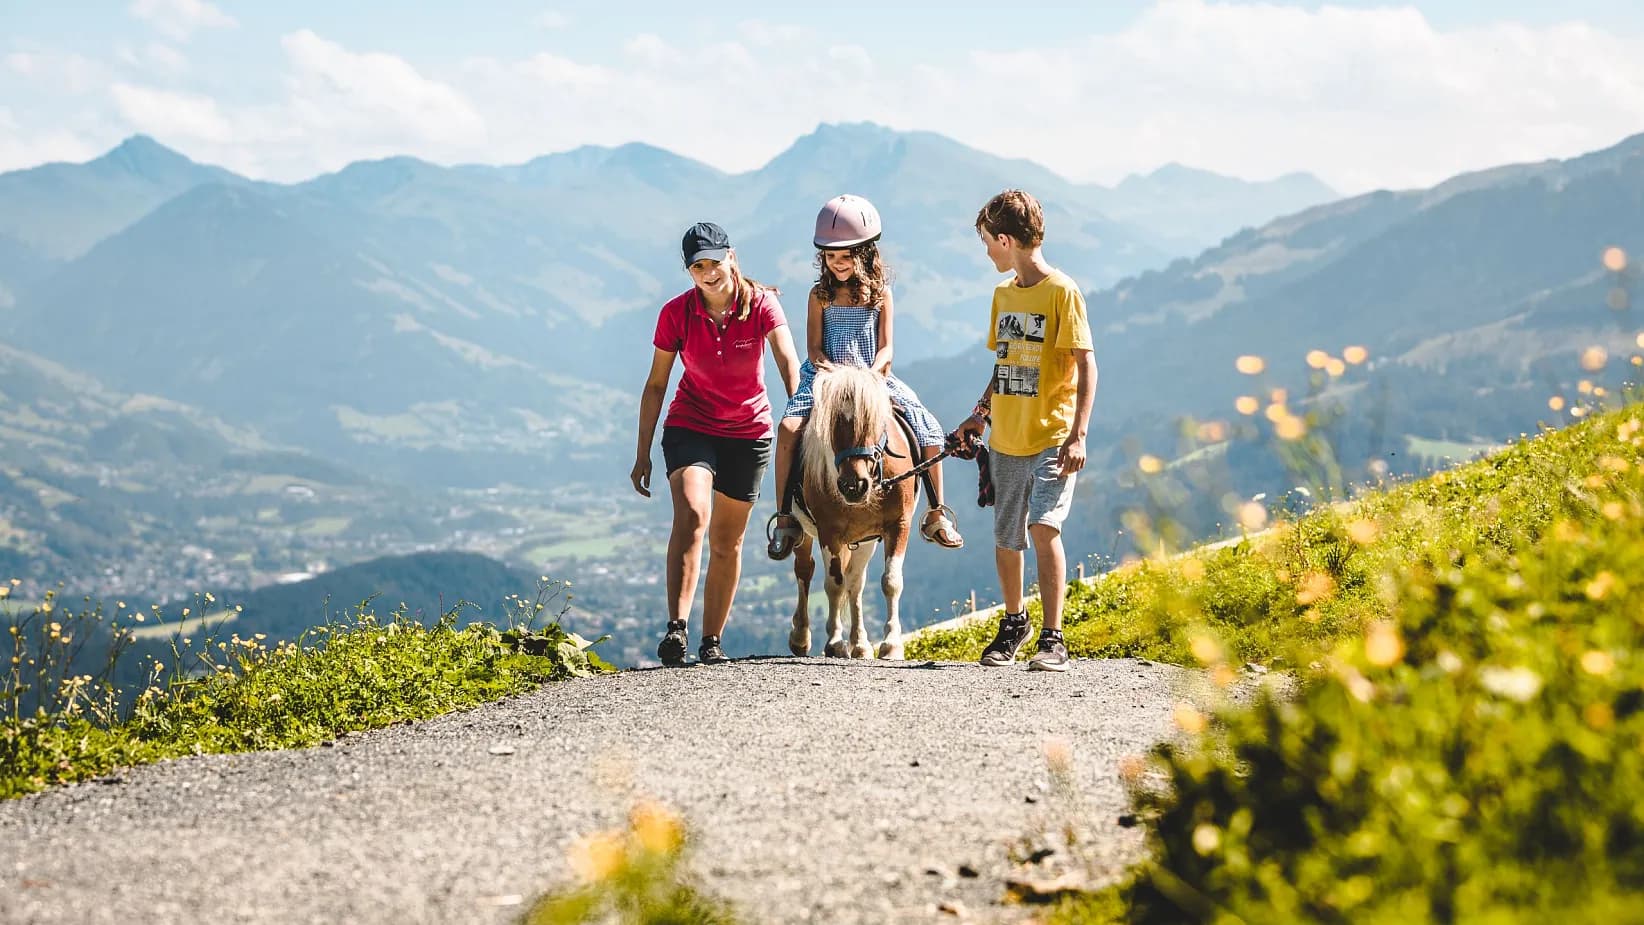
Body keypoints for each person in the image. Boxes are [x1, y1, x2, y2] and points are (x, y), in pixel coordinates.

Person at [631, 222, 802, 665]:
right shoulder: (676, 313)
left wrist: (801, 416)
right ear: (689, 272)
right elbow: (655, 386)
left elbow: (787, 361)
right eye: (698, 266)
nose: (709, 273)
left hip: (749, 434)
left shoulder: (762, 304)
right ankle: (677, 629)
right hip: (692, 424)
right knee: (693, 513)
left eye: (714, 262)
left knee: (728, 541)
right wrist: (642, 452)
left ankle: (711, 642)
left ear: (732, 257)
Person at [765, 193, 964, 559]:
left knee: (926, 426)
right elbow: (814, 348)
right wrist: (830, 374)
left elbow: (886, 348)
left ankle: (937, 512)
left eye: (846, 255)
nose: (837, 264)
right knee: (790, 428)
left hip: (872, 379)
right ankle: (785, 518)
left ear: (866, 253)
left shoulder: (880, 294)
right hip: (825, 379)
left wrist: (873, 374)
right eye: (830, 256)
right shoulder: (819, 295)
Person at [956, 190, 1097, 672]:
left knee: (1042, 526)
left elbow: (1086, 365)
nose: (987, 253)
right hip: (1006, 439)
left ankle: (1053, 637)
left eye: (987, 243)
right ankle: (1015, 623)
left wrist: (1078, 435)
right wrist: (980, 413)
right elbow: (1007, 362)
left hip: (1053, 436)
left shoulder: (1062, 291)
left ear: (1004, 239)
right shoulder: (1003, 295)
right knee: (1006, 537)